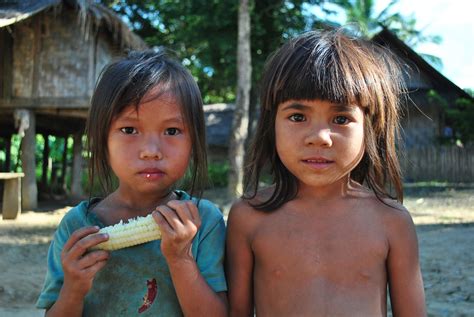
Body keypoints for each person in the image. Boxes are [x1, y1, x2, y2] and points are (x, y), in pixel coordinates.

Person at [226, 29, 426, 316]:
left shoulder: (391, 221)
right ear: (272, 125)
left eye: (341, 118)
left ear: (371, 129)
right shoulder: (248, 217)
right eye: (297, 116)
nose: (320, 137)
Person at [36, 50, 227, 316]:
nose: (151, 150)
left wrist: (180, 257)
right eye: (129, 130)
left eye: (172, 131)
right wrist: (73, 288)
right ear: (103, 141)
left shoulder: (203, 222)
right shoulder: (77, 226)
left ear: (193, 142)